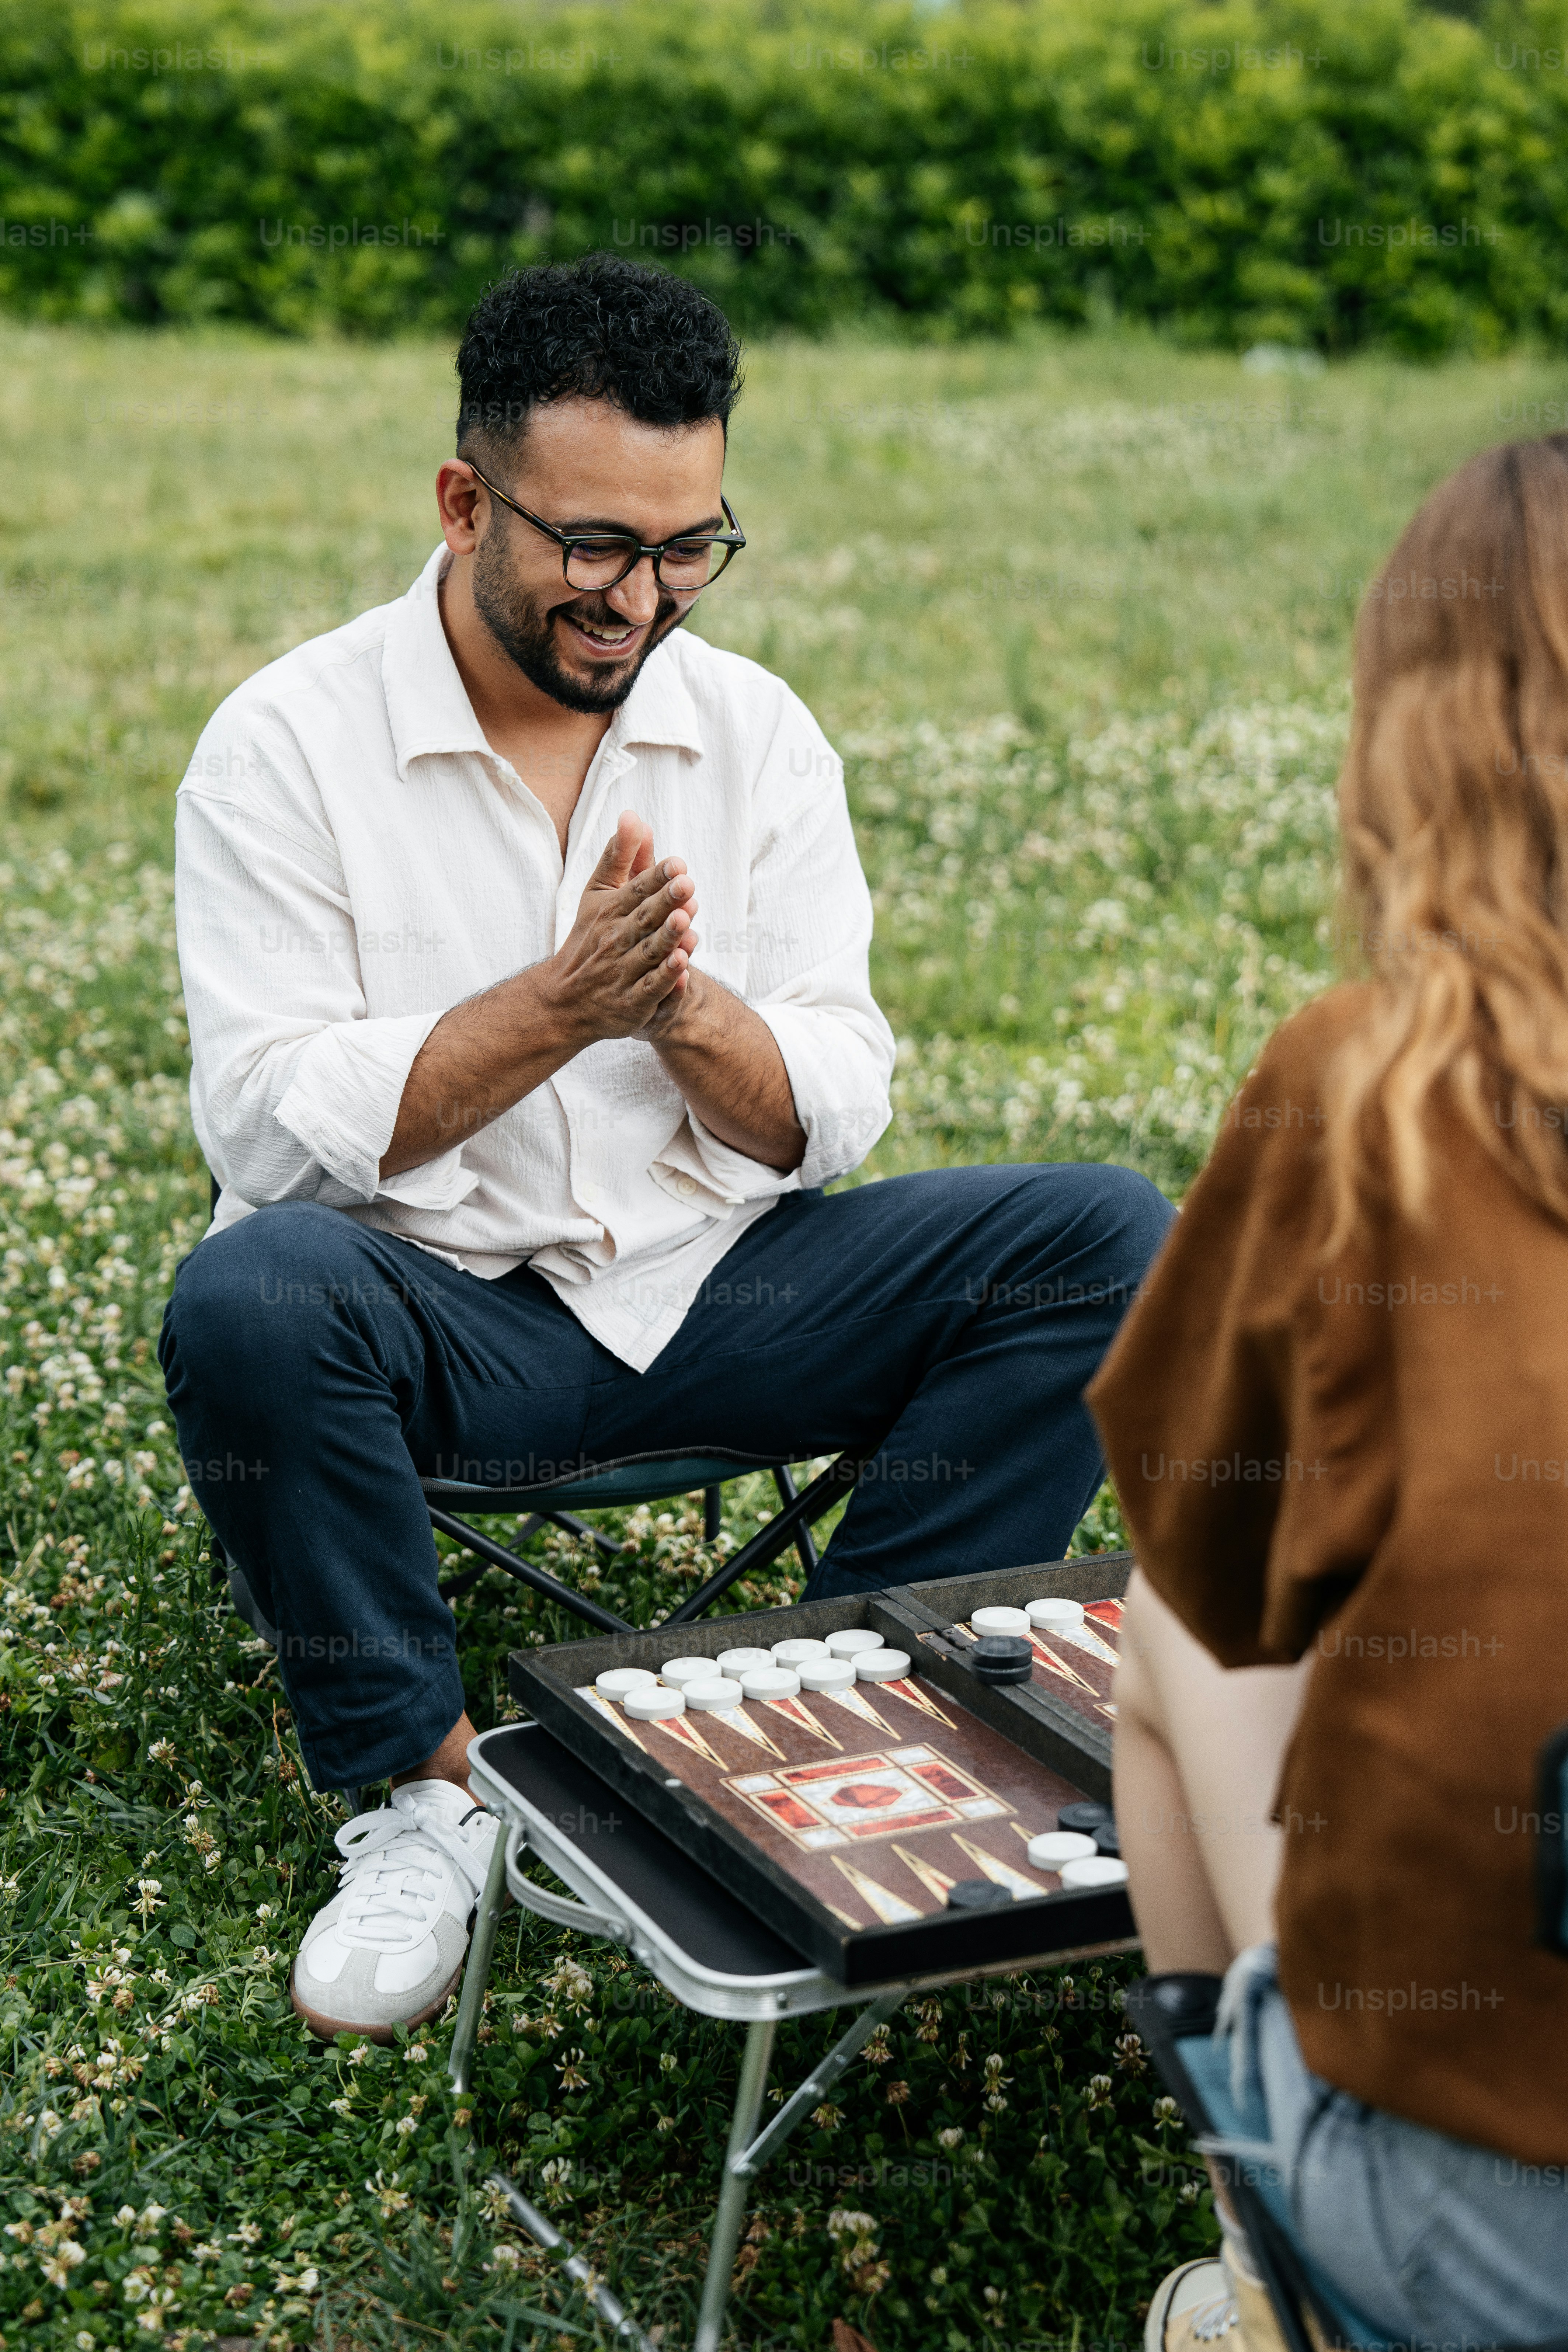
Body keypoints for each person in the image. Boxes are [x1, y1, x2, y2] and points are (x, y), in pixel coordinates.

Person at [158, 253, 1172, 2040]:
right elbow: (263, 1129)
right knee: (248, 1291)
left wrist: (679, 1008)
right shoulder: (284, 746)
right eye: (595, 546)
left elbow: (835, 1091)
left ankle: (856, 1700)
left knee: (1095, 1229)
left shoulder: (756, 732)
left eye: (687, 544)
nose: (642, 594)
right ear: (467, 499)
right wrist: (551, 1007)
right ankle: (425, 1794)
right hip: (437, 1315)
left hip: (717, 1287)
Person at [1089, 435, 1568, 2349]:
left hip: (1488, 2210)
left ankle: (1262, 2280)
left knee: (1162, 1644)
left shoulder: (1364, 1084)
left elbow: (1210, 1539)